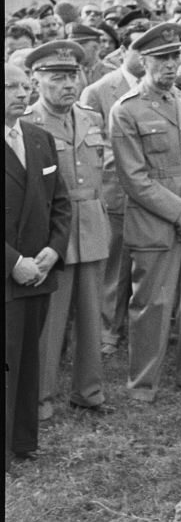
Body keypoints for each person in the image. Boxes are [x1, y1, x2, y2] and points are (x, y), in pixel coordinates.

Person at [109, 22, 181, 403]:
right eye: (162, 58)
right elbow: (135, 179)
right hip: (155, 222)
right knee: (152, 305)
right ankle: (143, 384)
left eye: (175, 56)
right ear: (143, 60)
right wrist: (180, 214)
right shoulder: (126, 110)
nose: (171, 65)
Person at [23, 42, 112, 422]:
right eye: (56, 77)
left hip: (90, 223)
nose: (67, 84)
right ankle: (40, 400)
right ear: (35, 80)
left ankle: (88, 393)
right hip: (49, 233)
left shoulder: (91, 117)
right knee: (49, 322)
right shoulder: (27, 123)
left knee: (93, 317)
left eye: (72, 75)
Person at [6, 63, 72, 473]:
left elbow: (60, 203)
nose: (20, 92)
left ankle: (23, 441)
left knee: (29, 356)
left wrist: (53, 249)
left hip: (39, 274)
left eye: (23, 86)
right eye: (9, 86)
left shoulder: (38, 137)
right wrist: (14, 263)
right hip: (11, 273)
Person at [80, 34, 148, 356]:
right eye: (140, 50)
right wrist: (133, 165)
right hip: (117, 187)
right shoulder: (98, 91)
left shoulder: (159, 89)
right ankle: (109, 329)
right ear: (123, 51)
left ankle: (145, 324)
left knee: (148, 258)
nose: (147, 58)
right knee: (116, 264)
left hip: (152, 189)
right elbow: (91, 142)